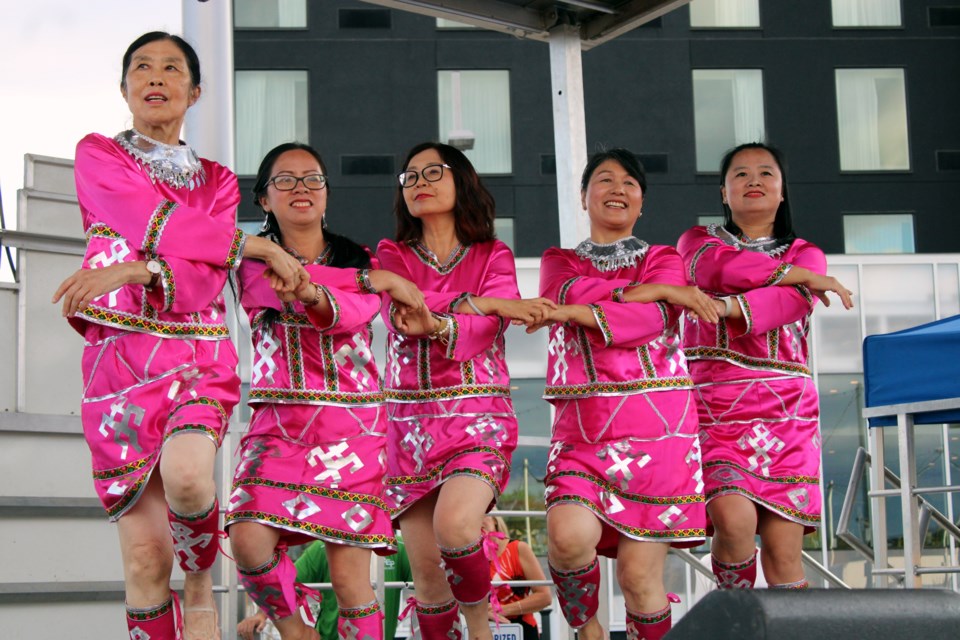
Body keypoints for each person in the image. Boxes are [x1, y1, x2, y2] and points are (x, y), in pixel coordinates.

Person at [51, 31, 303, 640]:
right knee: (143, 561)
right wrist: (250, 243)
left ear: (195, 91)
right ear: (125, 88)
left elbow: (203, 274)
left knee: (190, 479)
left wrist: (137, 268)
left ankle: (199, 578)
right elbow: (148, 218)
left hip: (196, 353)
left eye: (171, 68)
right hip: (118, 365)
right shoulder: (97, 155)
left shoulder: (217, 180)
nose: (155, 77)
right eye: (142, 67)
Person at [226, 143, 423, 640]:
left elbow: (355, 312)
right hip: (278, 422)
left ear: (326, 195)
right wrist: (369, 280)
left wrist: (345, 284)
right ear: (264, 200)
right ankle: (297, 631)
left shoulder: (362, 257)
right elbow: (272, 285)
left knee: (351, 579)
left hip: (351, 427)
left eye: (312, 179)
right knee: (247, 537)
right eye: (285, 180)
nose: (301, 189)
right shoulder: (252, 263)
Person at [530, 149, 716, 640]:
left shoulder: (665, 258)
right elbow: (565, 294)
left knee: (639, 576)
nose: (617, 189)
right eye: (605, 180)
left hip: (659, 434)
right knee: (567, 540)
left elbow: (647, 322)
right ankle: (588, 632)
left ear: (641, 203)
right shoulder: (558, 260)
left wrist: (651, 297)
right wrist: (651, 292)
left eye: (630, 183)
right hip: (584, 430)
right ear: (584, 196)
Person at [377, 142, 554, 640]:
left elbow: (483, 331)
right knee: (429, 583)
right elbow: (399, 314)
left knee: (456, 526)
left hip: (478, 415)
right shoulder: (390, 255)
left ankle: (479, 626)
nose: (420, 182)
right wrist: (479, 302)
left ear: (463, 182)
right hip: (408, 426)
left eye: (433, 172)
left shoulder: (491, 253)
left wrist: (438, 315)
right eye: (409, 177)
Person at [676, 142, 854, 591]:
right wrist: (801, 276)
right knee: (733, 525)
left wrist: (728, 304)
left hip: (787, 413)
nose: (753, 181)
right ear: (722, 192)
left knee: (783, 554)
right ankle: (735, 619)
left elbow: (781, 305)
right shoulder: (696, 244)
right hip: (715, 406)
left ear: (782, 191)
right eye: (740, 174)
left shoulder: (807, 254)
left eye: (765, 173)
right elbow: (715, 267)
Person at [237, 538, 412, 640]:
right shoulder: (323, 548)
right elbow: (287, 583)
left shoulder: (398, 548)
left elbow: (427, 581)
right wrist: (261, 615)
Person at [482, 516, 551, 640]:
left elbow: (545, 596)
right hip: (485, 630)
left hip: (523, 628)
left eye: (483, 514)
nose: (478, 521)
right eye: (472, 517)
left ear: (495, 520)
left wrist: (503, 610)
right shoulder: (469, 557)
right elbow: (460, 600)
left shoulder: (518, 549)